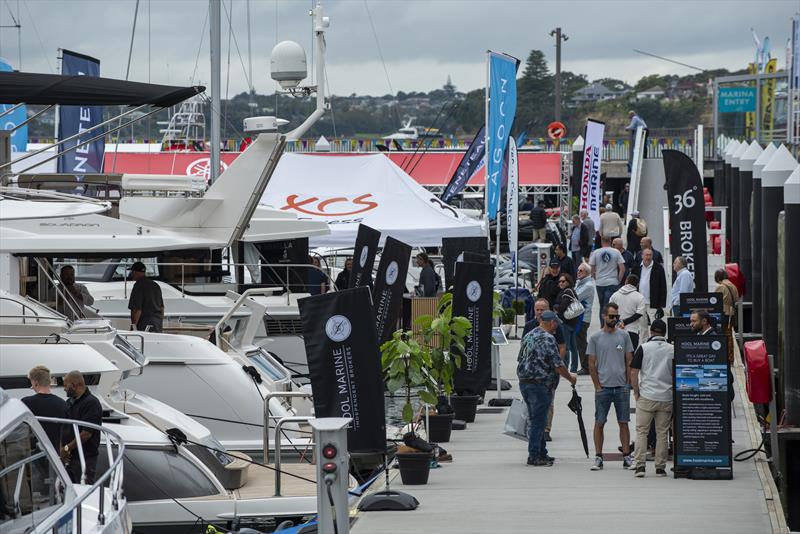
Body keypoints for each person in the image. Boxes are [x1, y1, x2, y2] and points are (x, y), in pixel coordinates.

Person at [517, 310, 577, 466]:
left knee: (535, 418)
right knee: (539, 421)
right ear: (551, 323)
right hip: (540, 384)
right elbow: (558, 365)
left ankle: (542, 452)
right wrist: (571, 378)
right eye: (556, 323)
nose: (556, 325)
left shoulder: (528, 336)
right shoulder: (548, 338)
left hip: (525, 383)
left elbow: (520, 358)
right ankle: (534, 455)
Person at [587, 302, 634, 471]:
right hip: (604, 388)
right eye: (611, 316)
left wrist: (628, 383)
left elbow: (629, 360)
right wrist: (597, 385)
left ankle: (627, 456)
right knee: (599, 422)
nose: (614, 319)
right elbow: (591, 363)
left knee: (624, 422)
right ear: (604, 316)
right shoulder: (595, 338)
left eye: (616, 316)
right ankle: (598, 457)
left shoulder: (624, 336)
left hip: (621, 387)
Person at [630, 319, 673, 478]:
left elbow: (634, 372)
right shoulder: (672, 349)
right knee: (662, 433)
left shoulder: (643, 348)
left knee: (642, 431)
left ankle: (640, 466)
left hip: (647, 395)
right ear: (665, 332)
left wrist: (636, 391)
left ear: (651, 332)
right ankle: (660, 468)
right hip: (666, 396)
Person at [523, 299, 566, 442]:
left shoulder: (555, 327)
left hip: (546, 375)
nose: (540, 312)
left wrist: (555, 366)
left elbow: (561, 347)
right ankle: (536, 448)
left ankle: (545, 431)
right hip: (534, 377)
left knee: (547, 404)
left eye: (543, 309)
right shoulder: (530, 328)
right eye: (537, 309)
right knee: (535, 412)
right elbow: (523, 352)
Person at [61, 371, 103, 484]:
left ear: (74, 385)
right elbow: (64, 427)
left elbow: (87, 433)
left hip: (84, 458)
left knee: (84, 493)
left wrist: (66, 448)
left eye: (65, 385)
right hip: (70, 457)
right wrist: (64, 449)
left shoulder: (91, 403)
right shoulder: (69, 402)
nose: (64, 389)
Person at [22, 365, 68, 451]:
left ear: (35, 383)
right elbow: (66, 431)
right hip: (54, 454)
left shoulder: (26, 403)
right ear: (49, 382)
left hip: (33, 453)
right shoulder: (62, 403)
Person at [589, 237, 625, 322]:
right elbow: (622, 268)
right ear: (611, 241)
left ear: (601, 241)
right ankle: (611, 323)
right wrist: (619, 280)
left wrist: (595, 277)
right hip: (612, 282)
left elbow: (592, 268)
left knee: (602, 306)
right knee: (610, 306)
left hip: (600, 283)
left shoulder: (596, 252)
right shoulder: (616, 252)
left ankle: (603, 325)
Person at [609, 274, 647, 349]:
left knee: (617, 356)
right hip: (632, 331)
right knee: (630, 358)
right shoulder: (640, 297)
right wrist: (625, 322)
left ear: (626, 281)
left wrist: (619, 322)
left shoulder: (614, 295)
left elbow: (610, 312)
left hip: (616, 330)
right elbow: (638, 314)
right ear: (637, 284)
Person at [553, 273, 581, 373]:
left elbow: (561, 308)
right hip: (573, 323)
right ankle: (573, 368)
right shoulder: (571, 291)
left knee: (566, 347)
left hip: (566, 323)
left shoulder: (567, 292)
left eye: (563, 281)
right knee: (573, 347)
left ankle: (565, 367)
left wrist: (556, 307)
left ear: (568, 282)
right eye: (559, 281)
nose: (561, 283)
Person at [631, 247, 667, 321]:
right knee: (641, 327)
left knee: (654, 324)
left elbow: (663, 286)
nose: (648, 257)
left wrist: (661, 305)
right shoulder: (636, 267)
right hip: (639, 302)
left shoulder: (659, 268)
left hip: (653, 302)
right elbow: (631, 284)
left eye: (650, 255)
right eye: (646, 255)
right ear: (642, 256)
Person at [128, 261, 164, 333]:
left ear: (135, 272)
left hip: (144, 325)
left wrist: (133, 327)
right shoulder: (155, 285)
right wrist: (160, 325)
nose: (131, 274)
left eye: (132, 272)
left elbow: (137, 309)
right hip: (157, 324)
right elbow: (162, 308)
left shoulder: (138, 286)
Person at [714, 268, 739, 364]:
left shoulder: (721, 287)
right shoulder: (733, 285)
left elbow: (714, 300)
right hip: (732, 314)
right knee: (729, 336)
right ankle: (730, 358)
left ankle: (724, 358)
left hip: (723, 314)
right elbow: (736, 299)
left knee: (722, 336)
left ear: (718, 277)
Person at [575, 263, 595, 375]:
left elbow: (575, 297)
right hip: (578, 317)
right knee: (580, 342)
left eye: (581, 270)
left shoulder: (588, 285)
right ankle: (586, 364)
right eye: (578, 270)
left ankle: (586, 366)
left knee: (581, 343)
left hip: (583, 318)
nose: (578, 272)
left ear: (587, 273)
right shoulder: (580, 282)